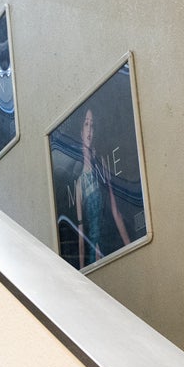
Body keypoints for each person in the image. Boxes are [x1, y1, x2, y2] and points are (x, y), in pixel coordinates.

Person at [74, 107, 132, 267]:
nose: (89, 130)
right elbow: (81, 233)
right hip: (94, 254)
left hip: (110, 245)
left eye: (92, 125)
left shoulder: (102, 166)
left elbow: (115, 211)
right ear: (81, 132)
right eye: (86, 124)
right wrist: (81, 271)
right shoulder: (79, 184)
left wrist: (130, 246)